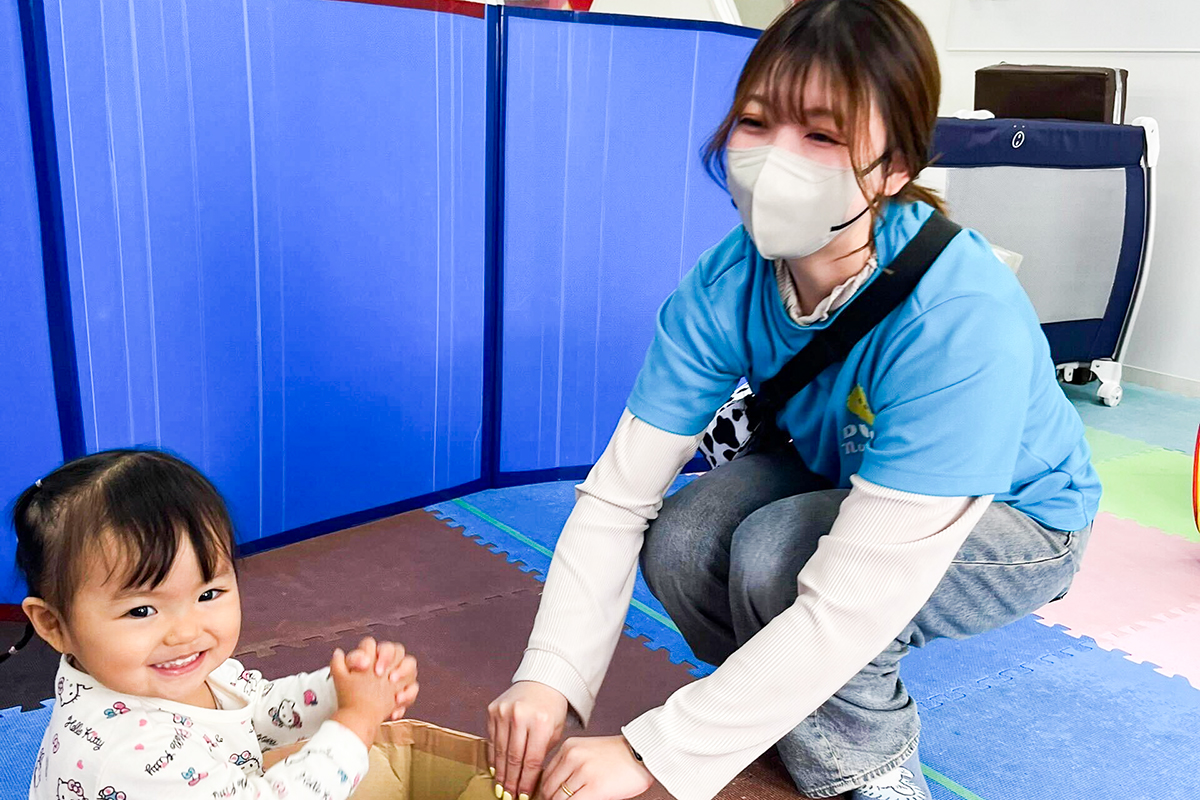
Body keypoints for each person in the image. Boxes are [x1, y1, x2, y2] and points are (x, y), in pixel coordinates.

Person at [486, 1, 1100, 799]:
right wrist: (551, 679)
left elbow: (856, 595)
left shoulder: (957, 317)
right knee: (684, 535)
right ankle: (791, 710)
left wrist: (653, 752)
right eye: (755, 121)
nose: (776, 161)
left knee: (782, 554)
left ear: (893, 167)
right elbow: (618, 496)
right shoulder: (727, 280)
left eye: (822, 135)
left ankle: (872, 766)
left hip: (1019, 518)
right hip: (844, 467)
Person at [14, 449, 420, 800]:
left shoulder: (184, 667)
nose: (187, 633)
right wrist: (356, 721)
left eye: (207, 595)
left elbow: (257, 713)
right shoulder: (126, 752)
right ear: (53, 624)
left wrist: (342, 690)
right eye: (141, 611)